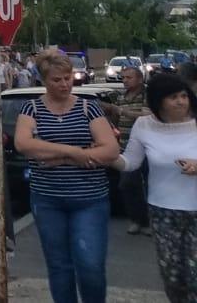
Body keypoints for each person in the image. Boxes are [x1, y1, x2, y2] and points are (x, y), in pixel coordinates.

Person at [14, 49, 120, 303]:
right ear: (43, 80)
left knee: (90, 265)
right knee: (59, 266)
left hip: (90, 200)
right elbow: (23, 144)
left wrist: (51, 155)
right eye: (56, 79)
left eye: (67, 77)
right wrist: (75, 152)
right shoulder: (31, 108)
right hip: (48, 199)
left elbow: (111, 149)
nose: (64, 84)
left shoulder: (88, 107)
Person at [110, 72, 197, 303]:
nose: (181, 101)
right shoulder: (144, 125)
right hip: (163, 212)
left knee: (195, 278)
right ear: (158, 101)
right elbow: (130, 163)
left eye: (183, 96)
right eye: (173, 98)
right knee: (173, 278)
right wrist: (105, 155)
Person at [108, 65, 152, 236]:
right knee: (127, 184)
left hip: (147, 147)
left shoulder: (146, 95)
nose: (125, 80)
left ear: (140, 79)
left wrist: (122, 111)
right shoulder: (121, 97)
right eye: (123, 77)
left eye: (129, 77)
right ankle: (135, 219)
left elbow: (146, 116)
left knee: (149, 185)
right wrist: (112, 112)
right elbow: (116, 119)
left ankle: (148, 221)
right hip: (126, 148)